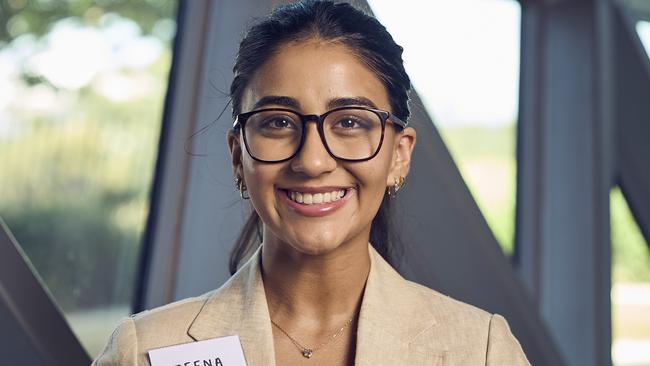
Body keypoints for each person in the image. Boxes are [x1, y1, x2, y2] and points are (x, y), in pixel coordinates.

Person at [93, 1, 530, 365]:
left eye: (350, 122)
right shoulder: (145, 349)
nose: (313, 160)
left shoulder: (481, 350)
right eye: (279, 122)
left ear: (399, 156)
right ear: (237, 156)